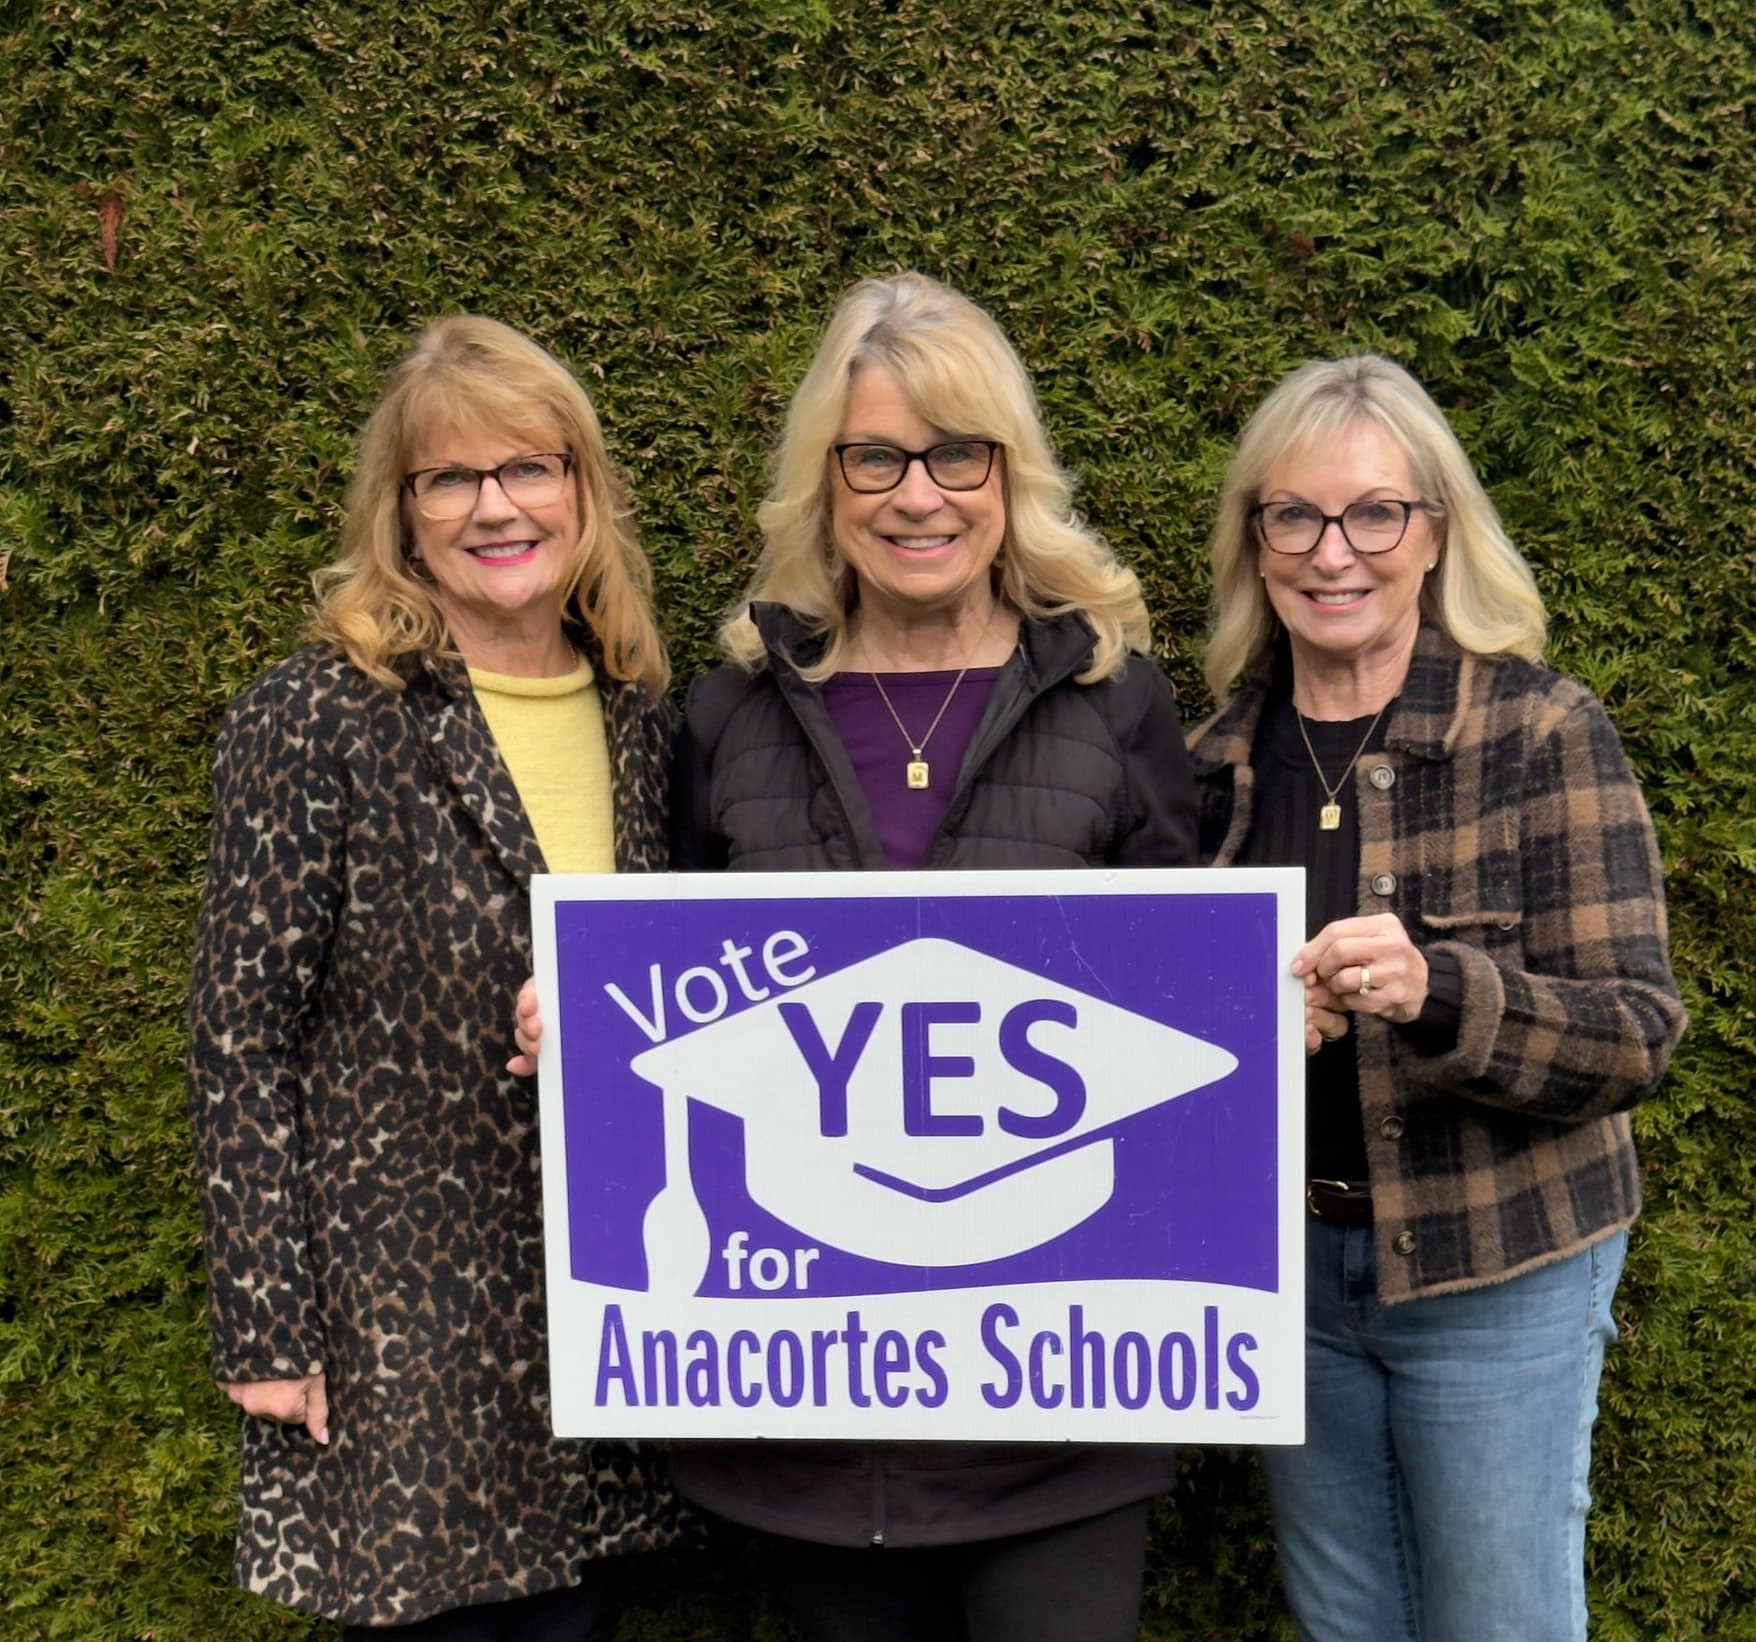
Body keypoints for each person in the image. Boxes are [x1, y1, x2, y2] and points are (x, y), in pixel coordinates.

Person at [514, 271, 1197, 1641]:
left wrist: (1265, 1010)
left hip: (1055, 1415)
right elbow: (673, 991)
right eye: (874, 456)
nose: (918, 494)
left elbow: (1187, 992)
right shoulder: (730, 716)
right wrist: (587, 1030)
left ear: (1010, 475)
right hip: (818, 1421)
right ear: (826, 483)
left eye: (958, 454)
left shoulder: (1113, 702)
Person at [187, 316, 683, 1638]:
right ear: (402, 513)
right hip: (402, 1322)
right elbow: (241, 1035)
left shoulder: (639, 711)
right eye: (449, 478)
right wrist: (268, 1325)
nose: (494, 506)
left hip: (616, 1297)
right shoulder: (318, 715)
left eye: (528, 466)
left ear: (581, 487)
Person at [1187, 354, 1687, 1642]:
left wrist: (1437, 987)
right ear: (1256, 540)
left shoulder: (1538, 732)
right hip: (1284, 1271)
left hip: (1499, 1265)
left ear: (1432, 535)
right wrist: (1239, 1029)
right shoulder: (1211, 764)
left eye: (1373, 515)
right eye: (1292, 515)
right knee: (1348, 1625)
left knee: (1501, 1623)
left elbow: (1635, 1032)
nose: (1332, 551)